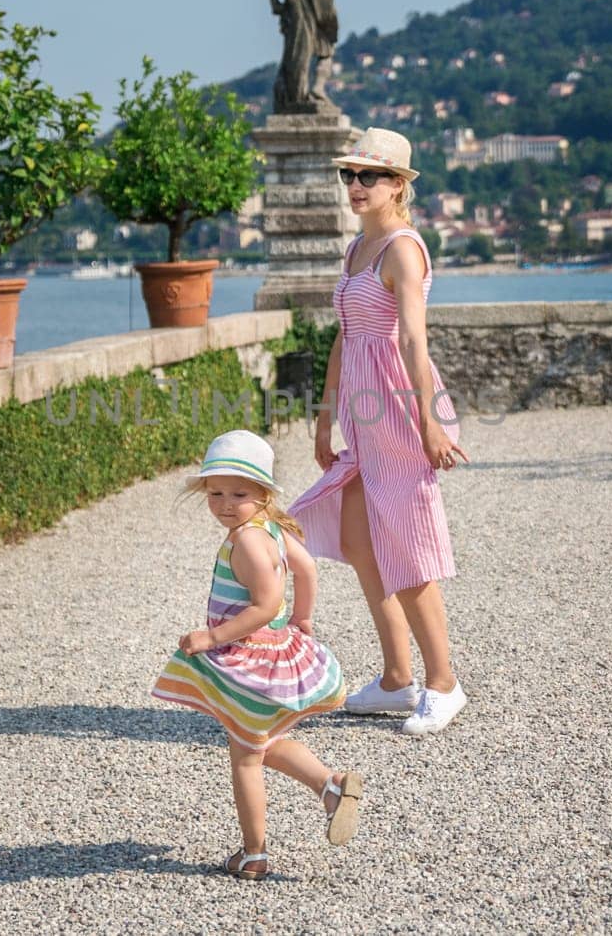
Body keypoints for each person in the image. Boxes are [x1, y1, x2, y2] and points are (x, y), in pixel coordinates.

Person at [288, 127, 471, 736]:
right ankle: (396, 679)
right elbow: (344, 334)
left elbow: (413, 339)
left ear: (399, 185)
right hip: (362, 410)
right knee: (363, 542)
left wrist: (428, 423)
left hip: (397, 404)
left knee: (408, 545)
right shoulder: (356, 250)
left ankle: (443, 683)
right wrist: (323, 414)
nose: (356, 186)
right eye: (349, 175)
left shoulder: (402, 249)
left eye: (370, 176)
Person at [152, 429, 362, 881]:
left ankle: (254, 854)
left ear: (263, 491)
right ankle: (330, 786)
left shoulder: (246, 540)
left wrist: (213, 637)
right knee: (260, 740)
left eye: (239, 493)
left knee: (246, 756)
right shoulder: (273, 528)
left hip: (251, 659)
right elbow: (306, 570)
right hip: (271, 652)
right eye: (216, 493)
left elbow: (265, 605)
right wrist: (302, 618)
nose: (226, 503)